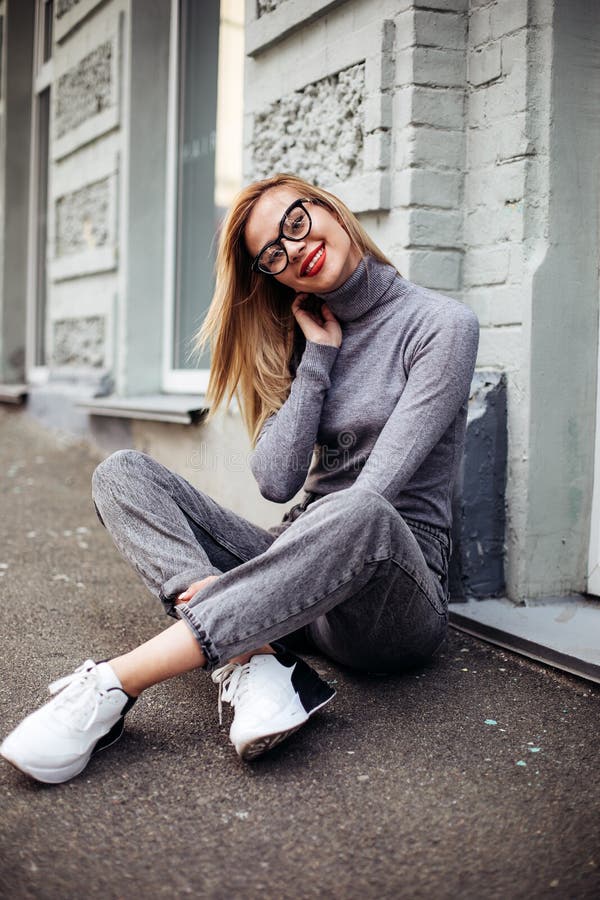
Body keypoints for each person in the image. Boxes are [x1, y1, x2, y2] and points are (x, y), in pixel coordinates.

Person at [1, 173, 479, 784]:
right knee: (122, 473)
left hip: (389, 592)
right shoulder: (309, 339)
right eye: (273, 254)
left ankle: (115, 685)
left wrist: (233, 595)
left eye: (296, 222)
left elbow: (374, 493)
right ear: (274, 276)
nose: (294, 247)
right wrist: (318, 362)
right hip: (297, 574)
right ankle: (257, 659)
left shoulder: (442, 325)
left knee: (356, 511)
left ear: (327, 207)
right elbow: (276, 482)